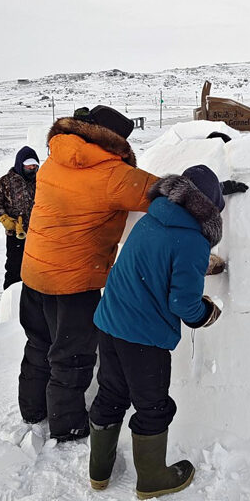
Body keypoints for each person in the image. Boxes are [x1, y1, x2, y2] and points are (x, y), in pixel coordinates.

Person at [18, 106, 159, 442]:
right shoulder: (111, 173)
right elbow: (158, 193)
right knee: (72, 356)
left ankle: (32, 410)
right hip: (72, 282)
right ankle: (68, 426)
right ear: (116, 140)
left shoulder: (57, 156)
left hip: (34, 271)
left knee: (39, 345)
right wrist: (201, 191)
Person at [87, 165, 226, 499]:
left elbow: (155, 264)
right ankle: (151, 478)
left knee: (111, 394)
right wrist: (208, 313)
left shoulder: (151, 219)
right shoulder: (192, 240)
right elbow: (183, 303)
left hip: (110, 322)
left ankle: (99, 471)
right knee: (153, 406)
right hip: (143, 337)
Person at [0, 146, 40, 289]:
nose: (32, 167)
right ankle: (10, 298)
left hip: (38, 233)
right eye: (29, 164)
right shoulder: (5, 182)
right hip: (15, 234)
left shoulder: (41, 180)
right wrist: (4, 218)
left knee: (37, 267)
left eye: (35, 164)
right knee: (14, 267)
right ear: (20, 164)